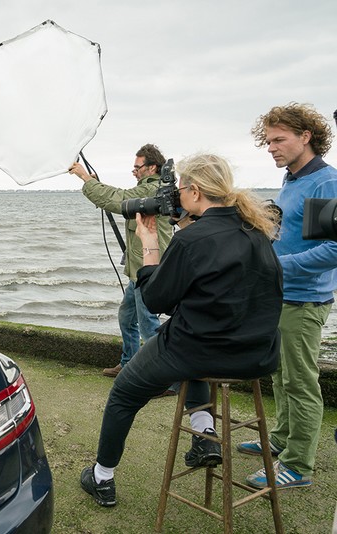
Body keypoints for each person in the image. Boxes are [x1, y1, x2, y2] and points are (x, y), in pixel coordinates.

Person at [79, 153, 283, 507]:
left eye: (181, 190)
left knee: (124, 395)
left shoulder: (193, 241)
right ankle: (204, 432)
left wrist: (149, 243)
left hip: (201, 350)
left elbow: (157, 299)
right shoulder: (257, 230)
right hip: (255, 356)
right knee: (195, 343)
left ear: (194, 191)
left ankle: (102, 476)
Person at [238, 103, 337, 489]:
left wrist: (278, 267)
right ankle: (280, 440)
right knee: (280, 376)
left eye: (279, 139)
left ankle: (297, 466)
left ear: (306, 137)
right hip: (280, 294)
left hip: (305, 299)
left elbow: (332, 249)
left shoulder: (325, 182)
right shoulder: (292, 180)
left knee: (300, 382)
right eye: (268, 141)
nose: (271, 147)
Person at [69, 144, 173, 388]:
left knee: (149, 326)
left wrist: (85, 178)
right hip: (138, 268)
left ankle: (165, 381)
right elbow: (119, 198)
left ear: (152, 167)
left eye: (137, 167)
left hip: (150, 268)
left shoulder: (154, 190)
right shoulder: (148, 189)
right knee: (127, 317)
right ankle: (129, 363)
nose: (134, 172)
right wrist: (95, 186)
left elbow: (118, 199)